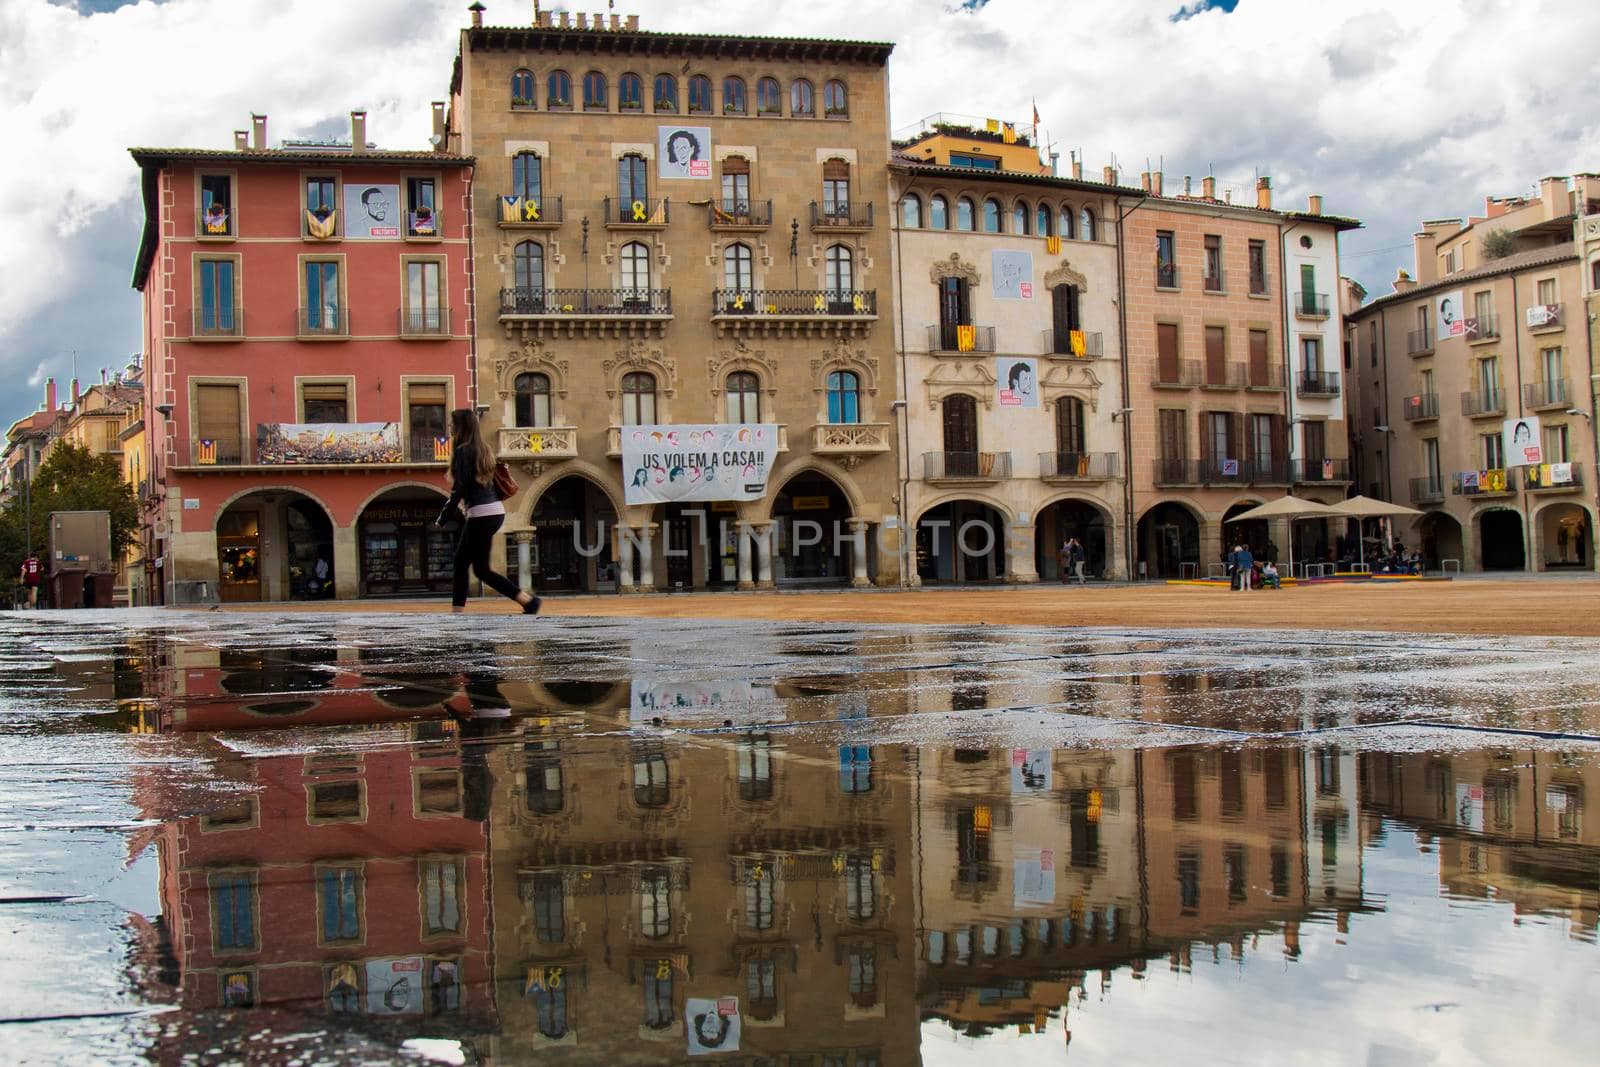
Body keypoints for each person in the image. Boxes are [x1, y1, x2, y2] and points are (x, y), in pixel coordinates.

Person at [437, 408, 540, 615]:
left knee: (460, 563)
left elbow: (460, 487)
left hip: (481, 514)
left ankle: (457, 613)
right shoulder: (483, 449)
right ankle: (527, 602)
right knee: (481, 569)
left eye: (452, 425)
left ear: (460, 427)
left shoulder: (463, 451)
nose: (450, 428)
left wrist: (444, 515)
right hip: (494, 512)